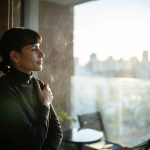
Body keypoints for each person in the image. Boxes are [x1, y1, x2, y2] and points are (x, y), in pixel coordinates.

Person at [0, 27, 63, 150]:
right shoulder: (4, 91)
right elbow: (32, 143)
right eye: (34, 49)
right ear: (15, 56)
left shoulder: (38, 84)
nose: (42, 54)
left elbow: (56, 131)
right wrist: (45, 105)